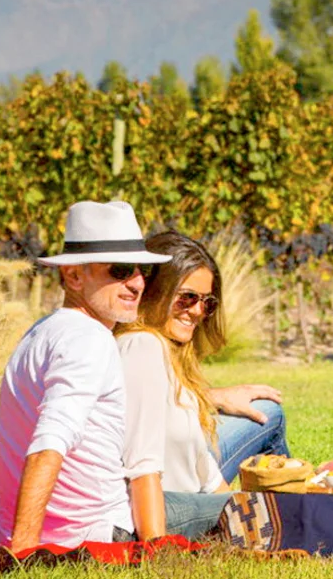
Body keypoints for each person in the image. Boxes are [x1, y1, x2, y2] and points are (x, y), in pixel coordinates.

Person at [0, 200, 172, 552]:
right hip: (98, 533)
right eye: (120, 270)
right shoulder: (90, 338)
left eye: (142, 270)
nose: (137, 283)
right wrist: (25, 549)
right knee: (251, 502)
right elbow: (50, 443)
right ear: (74, 276)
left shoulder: (38, 333)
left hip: (45, 530)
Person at [116, 230, 289, 540]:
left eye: (207, 303)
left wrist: (230, 500)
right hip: (162, 501)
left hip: (189, 485)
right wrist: (157, 548)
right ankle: (288, 505)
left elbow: (200, 462)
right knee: (281, 510)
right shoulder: (142, 347)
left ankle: (288, 481)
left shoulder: (166, 348)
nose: (197, 311)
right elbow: (142, 468)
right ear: (155, 290)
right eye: (187, 298)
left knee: (267, 413)